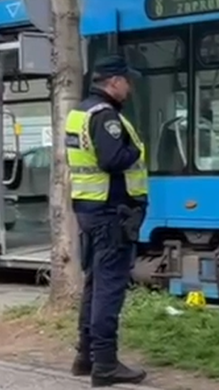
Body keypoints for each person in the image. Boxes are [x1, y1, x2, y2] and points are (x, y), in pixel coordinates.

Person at [66, 55, 148, 386]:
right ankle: (105, 365)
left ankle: (85, 357)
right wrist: (136, 150)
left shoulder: (80, 112)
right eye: (127, 80)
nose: (129, 87)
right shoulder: (106, 117)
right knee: (108, 291)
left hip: (91, 211)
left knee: (95, 284)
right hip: (111, 213)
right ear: (114, 82)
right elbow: (113, 159)